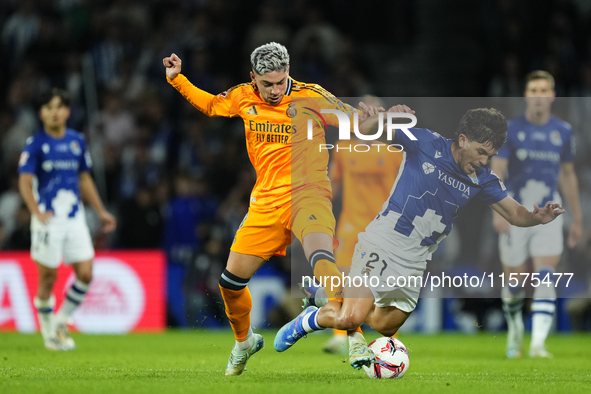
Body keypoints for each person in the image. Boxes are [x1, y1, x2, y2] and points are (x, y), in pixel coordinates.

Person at [274, 107, 565, 370]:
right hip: (383, 243)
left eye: (489, 155)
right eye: (480, 152)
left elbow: (515, 213)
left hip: (415, 262)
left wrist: (537, 217)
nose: (484, 160)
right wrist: (385, 116)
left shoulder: (483, 179)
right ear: (462, 140)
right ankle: (307, 322)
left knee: (384, 325)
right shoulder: (425, 142)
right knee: (351, 318)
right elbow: (365, 129)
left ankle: (327, 292)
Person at [163, 42, 378, 376]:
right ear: (253, 78)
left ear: (288, 71)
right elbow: (209, 105)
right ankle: (244, 342)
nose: (276, 90)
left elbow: (352, 121)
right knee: (230, 283)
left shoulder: (312, 96)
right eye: (267, 84)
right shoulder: (242, 96)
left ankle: (354, 337)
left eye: (280, 81)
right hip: (265, 202)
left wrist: (367, 121)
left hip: (310, 193)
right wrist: (177, 79)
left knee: (321, 257)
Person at [490, 71, 582, 359]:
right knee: (515, 283)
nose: (539, 95)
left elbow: (568, 174)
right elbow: (498, 171)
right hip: (516, 209)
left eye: (544, 89)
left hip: (549, 211)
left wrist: (577, 219)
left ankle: (539, 344)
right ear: (527, 95)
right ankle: (516, 330)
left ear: (552, 95)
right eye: (533, 89)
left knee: (545, 276)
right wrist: (499, 210)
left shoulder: (564, 131)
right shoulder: (511, 130)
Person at [18, 88, 117, 351]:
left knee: (85, 273)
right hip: (48, 220)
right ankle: (49, 334)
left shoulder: (77, 141)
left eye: (59, 107)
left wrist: (101, 210)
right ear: (41, 113)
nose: (54, 112)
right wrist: (36, 212)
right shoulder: (35, 144)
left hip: (74, 218)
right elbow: (25, 182)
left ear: (67, 111)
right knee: (48, 278)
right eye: (49, 107)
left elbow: (84, 178)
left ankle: (60, 321)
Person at [323, 98, 403, 354]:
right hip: (350, 224)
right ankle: (341, 334)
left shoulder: (394, 153)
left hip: (381, 228)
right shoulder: (343, 148)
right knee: (343, 278)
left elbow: (399, 194)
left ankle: (391, 338)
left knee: (384, 284)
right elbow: (332, 185)